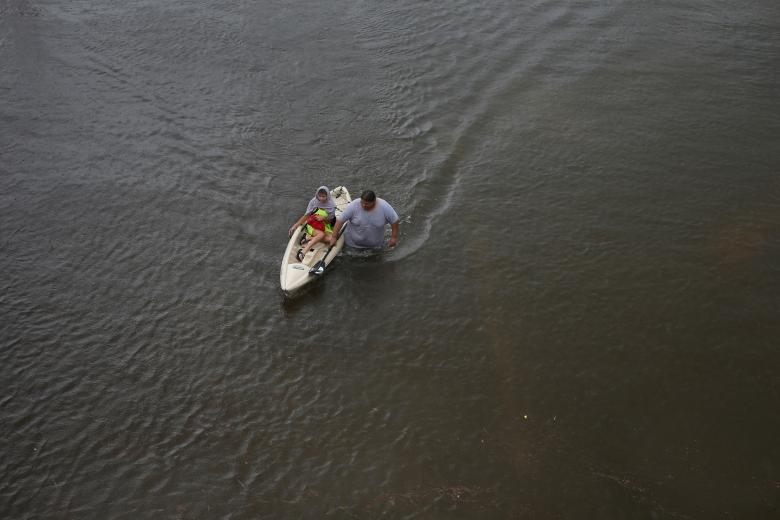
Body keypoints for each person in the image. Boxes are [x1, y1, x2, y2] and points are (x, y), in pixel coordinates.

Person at [329, 190, 399, 249]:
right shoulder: (353, 205)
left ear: (374, 201)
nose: (363, 205)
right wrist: (334, 237)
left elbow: (395, 221)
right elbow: (340, 221)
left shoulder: (384, 207)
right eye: (362, 202)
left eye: (366, 204)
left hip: (375, 247)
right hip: (352, 245)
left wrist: (394, 237)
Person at [288, 186, 337, 261]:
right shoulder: (313, 202)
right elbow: (306, 215)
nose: (321, 198)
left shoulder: (331, 205)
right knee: (321, 234)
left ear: (327, 196)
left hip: (324, 225)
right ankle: (303, 252)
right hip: (312, 225)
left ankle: (307, 237)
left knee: (332, 240)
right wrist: (295, 225)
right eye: (319, 196)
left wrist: (323, 218)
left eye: (323, 196)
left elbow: (330, 220)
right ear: (317, 195)